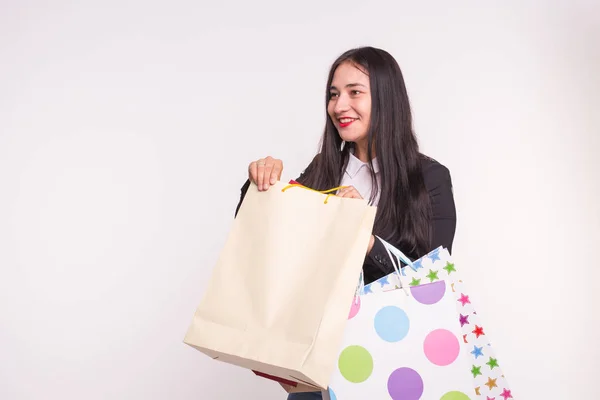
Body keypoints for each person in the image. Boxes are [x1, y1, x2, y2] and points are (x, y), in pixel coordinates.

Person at [235, 46, 456, 399]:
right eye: (333, 94)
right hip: (315, 371)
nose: (339, 106)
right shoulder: (323, 169)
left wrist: (364, 237)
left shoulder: (429, 179)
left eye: (355, 92)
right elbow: (267, 246)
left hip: (390, 367)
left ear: (387, 98)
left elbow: (431, 282)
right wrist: (259, 187)